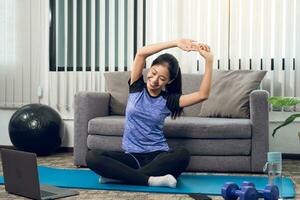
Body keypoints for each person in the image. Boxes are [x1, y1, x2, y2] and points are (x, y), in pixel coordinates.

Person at [86, 39, 213, 188]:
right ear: (150, 68)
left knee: (182, 155)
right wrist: (176, 43)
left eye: (162, 78)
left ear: (169, 81)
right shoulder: (136, 87)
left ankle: (121, 177)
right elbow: (141, 53)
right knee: (92, 156)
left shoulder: (169, 100)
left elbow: (203, 95)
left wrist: (209, 61)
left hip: (158, 157)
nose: (154, 80)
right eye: (153, 73)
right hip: (132, 157)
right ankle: (151, 180)